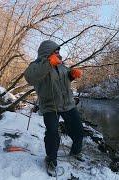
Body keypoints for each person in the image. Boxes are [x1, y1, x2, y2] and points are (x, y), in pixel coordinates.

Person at [24, 40, 84, 177]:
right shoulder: (36, 65)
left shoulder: (61, 65)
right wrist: (48, 64)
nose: (58, 53)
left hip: (68, 104)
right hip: (50, 106)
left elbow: (64, 79)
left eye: (58, 51)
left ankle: (75, 151)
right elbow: (30, 78)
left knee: (78, 130)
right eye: (55, 50)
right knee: (52, 133)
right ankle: (51, 160)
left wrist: (72, 75)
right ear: (47, 51)